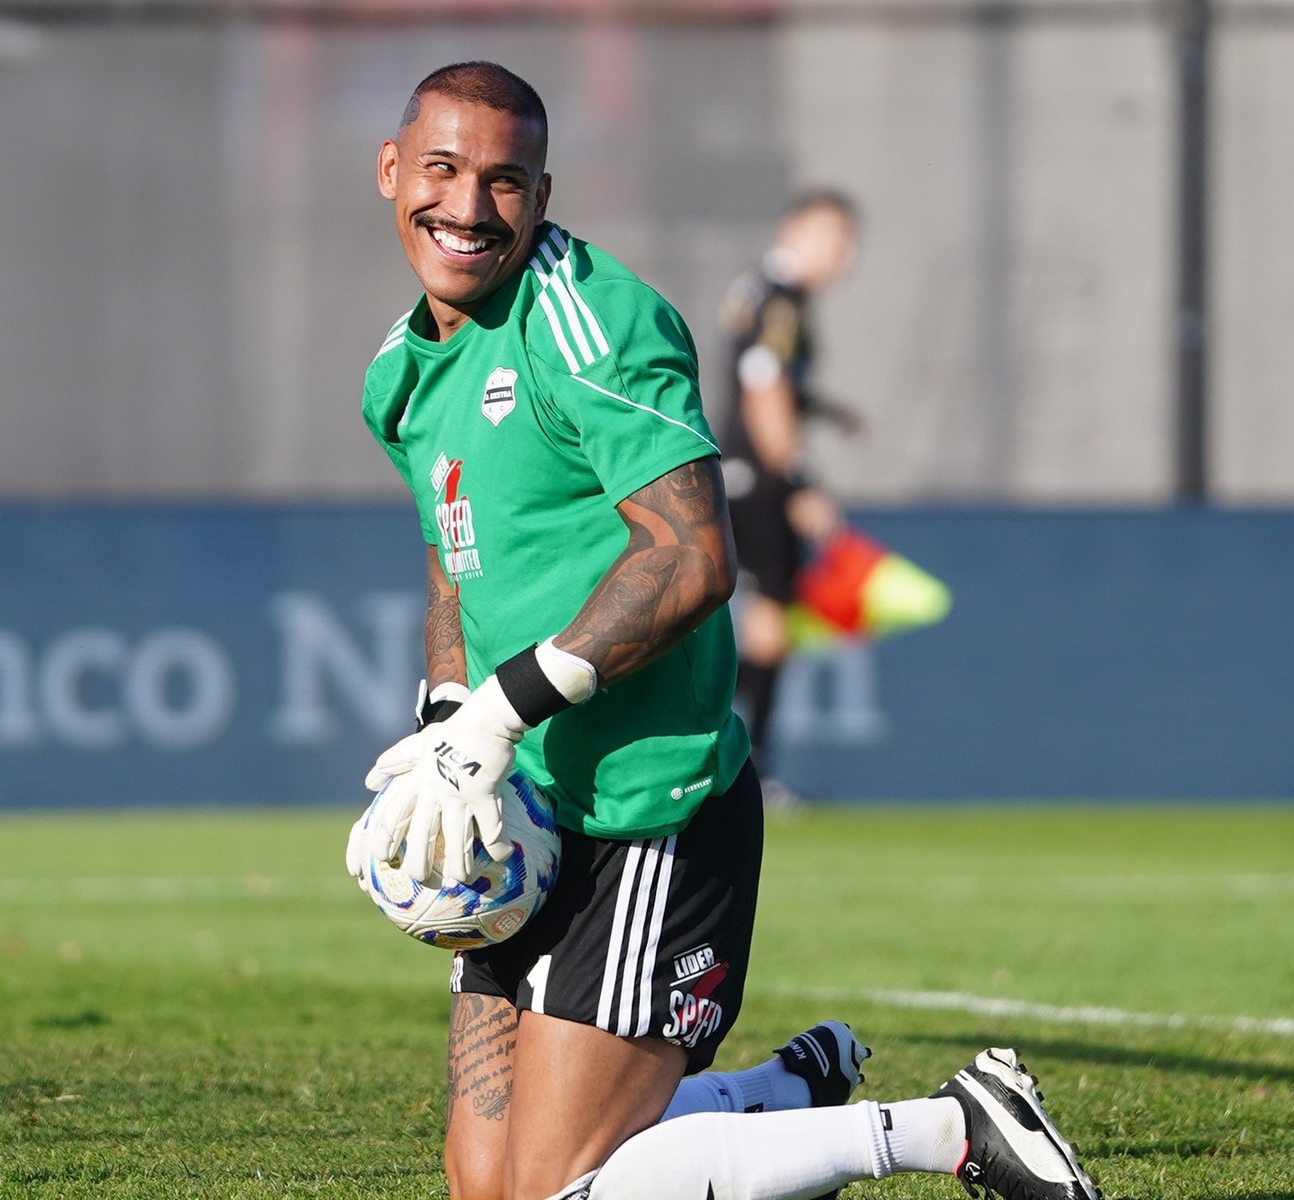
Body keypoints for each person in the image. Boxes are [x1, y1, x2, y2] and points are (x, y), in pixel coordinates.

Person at [346, 61, 1099, 1200]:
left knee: (563, 1191)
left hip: (651, 808)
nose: (466, 206)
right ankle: (784, 1090)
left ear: (541, 196)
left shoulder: (593, 319)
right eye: (442, 170)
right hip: (521, 809)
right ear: (390, 171)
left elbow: (694, 559)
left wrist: (496, 712)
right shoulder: (399, 375)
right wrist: (449, 718)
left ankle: (944, 1126)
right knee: (487, 1190)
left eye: (504, 181)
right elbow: (455, 564)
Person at [718, 192, 864, 802]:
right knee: (771, 620)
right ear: (794, 230)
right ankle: (752, 768)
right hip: (759, 476)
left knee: (766, 623)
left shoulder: (763, 293)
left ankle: (749, 764)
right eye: (832, 238)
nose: (843, 255)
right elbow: (763, 389)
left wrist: (824, 409)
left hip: (744, 471)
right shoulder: (780, 301)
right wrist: (798, 479)